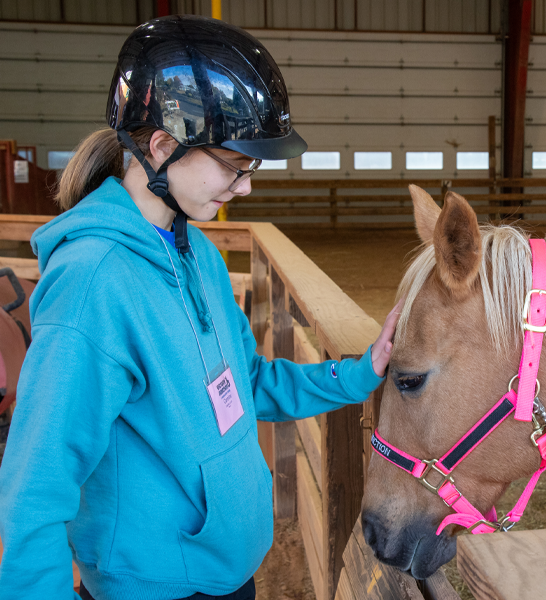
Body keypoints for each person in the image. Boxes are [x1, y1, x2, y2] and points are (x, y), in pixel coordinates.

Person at [0, 15, 399, 600]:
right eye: (233, 165)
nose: (244, 187)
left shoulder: (199, 255)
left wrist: (361, 372)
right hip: (156, 584)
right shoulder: (94, 283)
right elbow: (38, 480)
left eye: (249, 168)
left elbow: (248, 382)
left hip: (224, 567)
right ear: (161, 145)